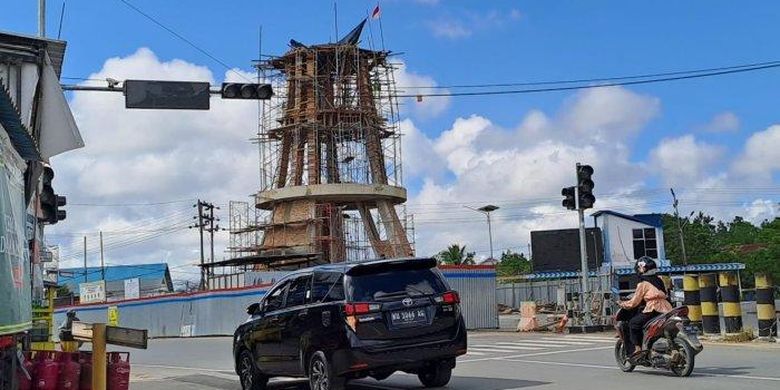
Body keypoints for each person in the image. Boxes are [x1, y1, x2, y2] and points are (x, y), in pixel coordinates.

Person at [619, 257, 673, 360]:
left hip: (653, 309)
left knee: (633, 323)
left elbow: (634, 302)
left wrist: (623, 304)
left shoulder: (643, 284)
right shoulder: (660, 279)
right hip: (667, 308)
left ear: (642, 269)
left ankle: (638, 349)